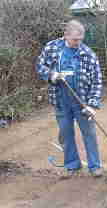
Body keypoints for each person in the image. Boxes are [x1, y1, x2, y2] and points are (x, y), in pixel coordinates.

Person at [37, 19, 103, 178]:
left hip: (82, 103)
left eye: (80, 40)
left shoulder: (88, 54)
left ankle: (95, 166)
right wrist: (51, 75)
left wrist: (92, 105)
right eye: (75, 40)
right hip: (61, 101)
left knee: (90, 134)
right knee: (66, 134)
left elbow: (97, 80)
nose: (78, 43)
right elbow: (40, 65)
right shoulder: (52, 48)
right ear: (65, 35)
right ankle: (72, 165)